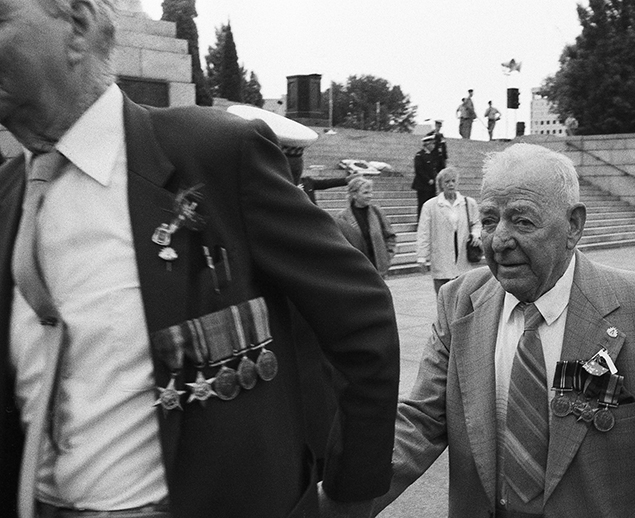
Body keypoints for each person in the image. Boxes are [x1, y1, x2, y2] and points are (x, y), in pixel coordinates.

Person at [0, 2, 400, 518]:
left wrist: (351, 494)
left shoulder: (214, 157)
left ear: (76, 27)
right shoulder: (10, 197)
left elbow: (361, 316)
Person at [374, 143, 635, 516]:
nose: (498, 240)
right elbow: (420, 422)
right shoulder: (458, 301)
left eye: (523, 221)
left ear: (573, 226)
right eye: (490, 219)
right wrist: (327, 501)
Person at [416, 168, 481, 294]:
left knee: (463, 298)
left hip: (463, 258)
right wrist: (422, 257)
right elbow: (423, 232)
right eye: (447, 182)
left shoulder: (469, 203)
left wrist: (475, 234)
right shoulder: (430, 206)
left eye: (453, 181)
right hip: (441, 260)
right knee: (444, 298)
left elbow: (476, 223)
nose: (450, 184)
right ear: (440, 184)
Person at [336, 177, 397, 278]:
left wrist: (387, 256)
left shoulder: (377, 212)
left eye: (371, 192)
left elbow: (390, 235)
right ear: (354, 195)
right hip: (355, 270)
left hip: (378, 268)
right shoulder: (342, 217)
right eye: (365, 193)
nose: (370, 196)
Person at [412, 135, 442, 219]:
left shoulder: (432, 156)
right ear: (427, 144)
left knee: (431, 205)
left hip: (431, 186)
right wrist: (428, 179)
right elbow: (419, 170)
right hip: (422, 185)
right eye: (432, 144)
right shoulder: (420, 155)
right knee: (422, 204)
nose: (434, 146)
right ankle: (421, 223)